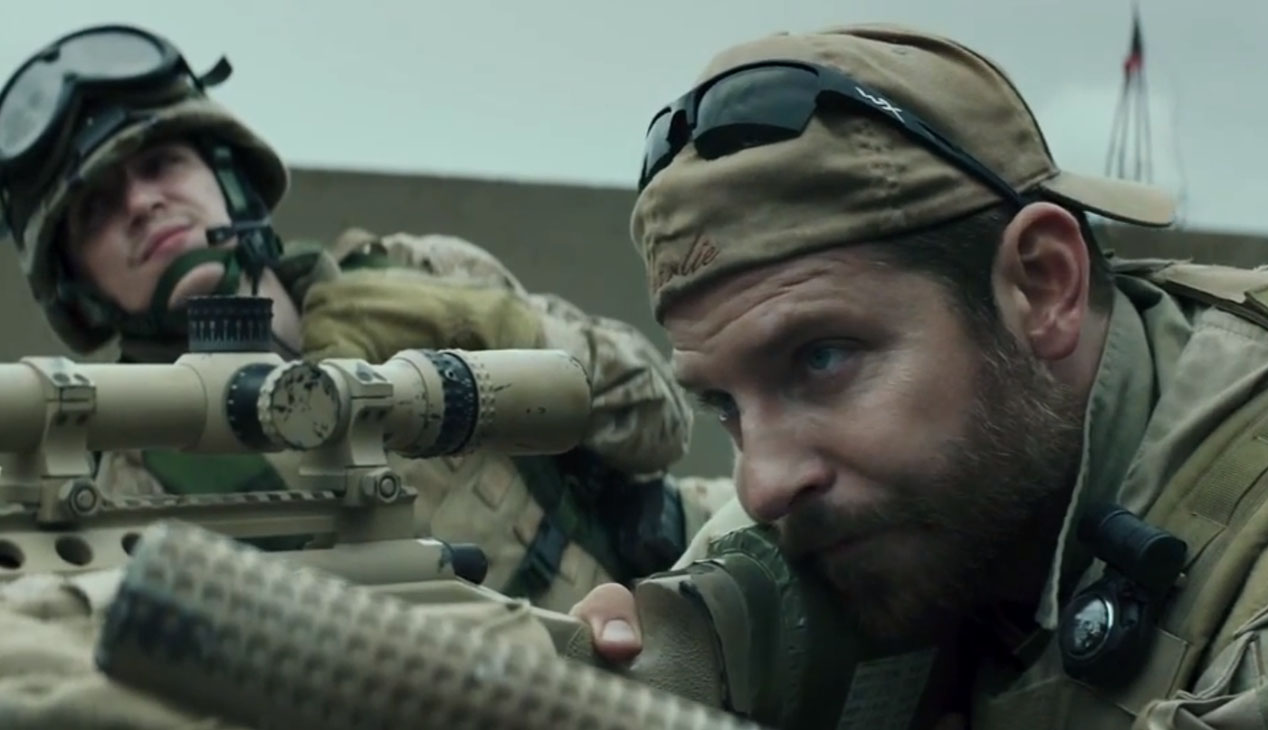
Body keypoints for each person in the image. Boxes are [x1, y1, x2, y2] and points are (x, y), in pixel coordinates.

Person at [571, 23, 1268, 729]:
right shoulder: (872, 507)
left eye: (822, 358)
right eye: (724, 404)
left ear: (1042, 285)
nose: (762, 487)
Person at [0, 23, 732, 614]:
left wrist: (478, 324)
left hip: (658, 628)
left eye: (161, 164)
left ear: (227, 173)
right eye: (97, 209)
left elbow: (662, 422)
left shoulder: (420, 273)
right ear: (78, 286)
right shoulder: (125, 481)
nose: (141, 204)